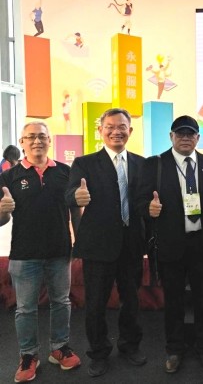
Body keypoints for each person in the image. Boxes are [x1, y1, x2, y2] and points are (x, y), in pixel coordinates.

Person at [136, 115, 203, 374]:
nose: (185, 138)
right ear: (171, 136)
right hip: (169, 244)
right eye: (180, 133)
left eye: (190, 134)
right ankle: (174, 349)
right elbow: (139, 201)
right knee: (173, 301)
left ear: (198, 138)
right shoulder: (155, 164)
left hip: (201, 245)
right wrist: (148, 208)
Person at [66, 108, 147, 378]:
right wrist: (76, 196)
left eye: (122, 126)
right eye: (110, 127)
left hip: (132, 245)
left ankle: (130, 345)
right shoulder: (84, 164)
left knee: (131, 301)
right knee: (96, 304)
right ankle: (98, 353)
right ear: (100, 131)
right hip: (98, 246)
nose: (116, 131)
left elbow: (144, 200)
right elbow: (69, 194)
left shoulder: (141, 164)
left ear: (130, 131)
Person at [0, 122, 81, 382]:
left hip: (60, 251)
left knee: (62, 302)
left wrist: (79, 242)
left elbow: (75, 210)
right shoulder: (9, 177)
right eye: (31, 137)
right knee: (25, 309)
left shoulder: (66, 172)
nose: (37, 141)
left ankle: (59, 348)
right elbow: (2, 220)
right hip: (24, 254)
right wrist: (2, 210)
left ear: (49, 140)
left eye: (42, 136)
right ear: (22, 142)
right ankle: (28, 355)